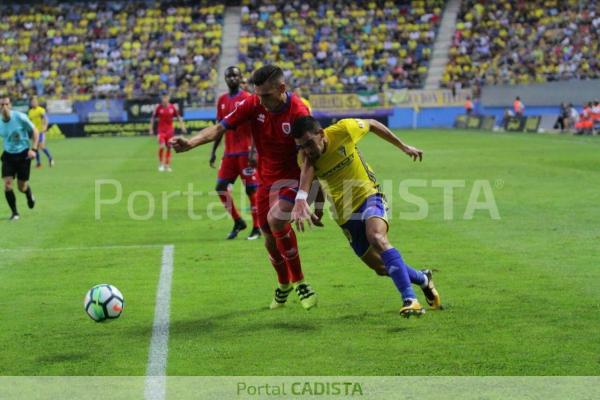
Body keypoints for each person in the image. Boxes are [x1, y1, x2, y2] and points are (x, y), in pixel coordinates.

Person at [171, 65, 318, 310]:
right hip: (265, 179)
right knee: (268, 237)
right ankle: (284, 285)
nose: (261, 101)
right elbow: (220, 127)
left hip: (293, 178)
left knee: (276, 221)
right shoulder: (254, 103)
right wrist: (192, 142)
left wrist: (306, 194)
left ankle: (301, 282)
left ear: (282, 89)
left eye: (267, 96)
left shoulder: (298, 111)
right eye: (258, 95)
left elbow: (311, 155)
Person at [290, 116, 442, 318]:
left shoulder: (344, 130)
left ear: (322, 134)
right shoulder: (305, 157)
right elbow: (313, 182)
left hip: (369, 196)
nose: (307, 149)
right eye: (301, 146)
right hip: (343, 215)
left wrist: (403, 146)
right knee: (380, 267)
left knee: (377, 237)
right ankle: (423, 278)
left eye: (309, 143)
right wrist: (316, 208)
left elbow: (372, 124)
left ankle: (410, 299)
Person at [209, 66, 261, 240]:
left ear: (241, 78)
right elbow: (219, 128)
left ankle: (257, 228)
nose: (232, 78)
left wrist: (254, 150)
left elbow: (256, 127)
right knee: (220, 187)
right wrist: (214, 150)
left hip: (246, 152)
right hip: (229, 154)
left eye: (235, 76)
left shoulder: (247, 98)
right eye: (229, 76)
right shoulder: (222, 100)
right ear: (225, 79)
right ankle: (238, 220)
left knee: (251, 190)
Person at [0, 96, 39, 220]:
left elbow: (35, 131)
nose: (4, 107)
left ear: (10, 105)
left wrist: (33, 149)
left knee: (21, 187)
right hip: (8, 156)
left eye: (6, 104)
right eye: (1, 105)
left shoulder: (20, 117)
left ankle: (28, 193)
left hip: (23, 154)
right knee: (7, 185)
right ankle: (15, 213)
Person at [149, 94, 187, 172]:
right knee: (162, 146)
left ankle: (167, 165)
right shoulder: (158, 107)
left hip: (170, 131)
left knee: (169, 147)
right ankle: (161, 164)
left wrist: (182, 127)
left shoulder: (172, 107)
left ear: (168, 98)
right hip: (161, 131)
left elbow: (179, 117)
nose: (165, 99)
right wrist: (151, 129)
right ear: (162, 99)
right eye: (163, 97)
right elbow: (152, 119)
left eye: (166, 97)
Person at [27, 96, 54, 168]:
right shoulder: (30, 112)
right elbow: (29, 121)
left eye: (35, 102)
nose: (33, 103)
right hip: (34, 131)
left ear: (37, 102)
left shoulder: (40, 110)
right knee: (35, 147)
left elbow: (45, 118)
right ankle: (39, 163)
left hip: (40, 131)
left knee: (41, 146)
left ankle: (50, 158)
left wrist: (45, 126)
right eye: (32, 102)